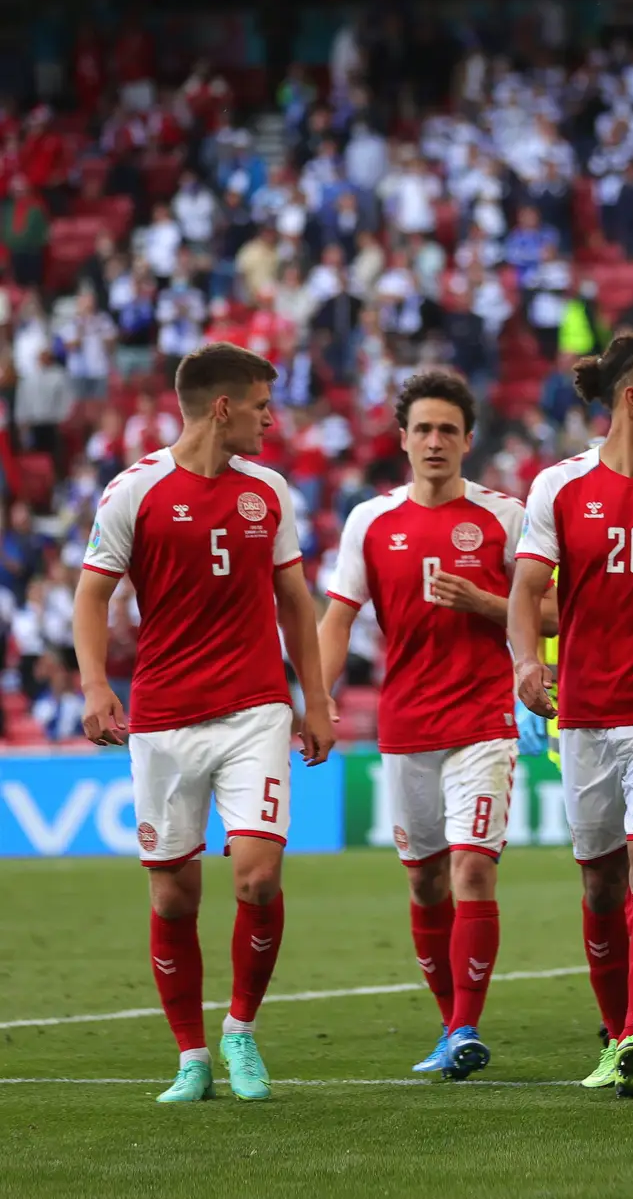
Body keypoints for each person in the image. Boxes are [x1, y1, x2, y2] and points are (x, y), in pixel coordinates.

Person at [73, 342, 335, 1103]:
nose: (270, 420)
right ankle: (191, 1055)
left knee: (256, 877)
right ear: (223, 408)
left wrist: (314, 700)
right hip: (163, 718)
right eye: (260, 406)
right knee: (173, 899)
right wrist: (96, 686)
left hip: (255, 710)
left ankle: (241, 1031)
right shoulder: (134, 491)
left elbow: (295, 602)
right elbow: (92, 598)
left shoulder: (270, 491)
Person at [317, 371, 555, 1080]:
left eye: (448, 429)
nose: (435, 441)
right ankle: (449, 1024)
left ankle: (464, 1026)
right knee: (425, 886)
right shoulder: (371, 521)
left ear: (468, 440)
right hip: (407, 725)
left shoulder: (503, 517)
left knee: (472, 869)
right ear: (402, 440)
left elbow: (553, 613)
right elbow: (337, 619)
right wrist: (315, 697)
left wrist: (486, 602)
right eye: (422, 429)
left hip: (483, 720)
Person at [507, 333, 633, 1098]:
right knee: (599, 886)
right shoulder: (559, 487)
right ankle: (613, 1027)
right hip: (586, 718)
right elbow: (528, 591)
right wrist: (528, 662)